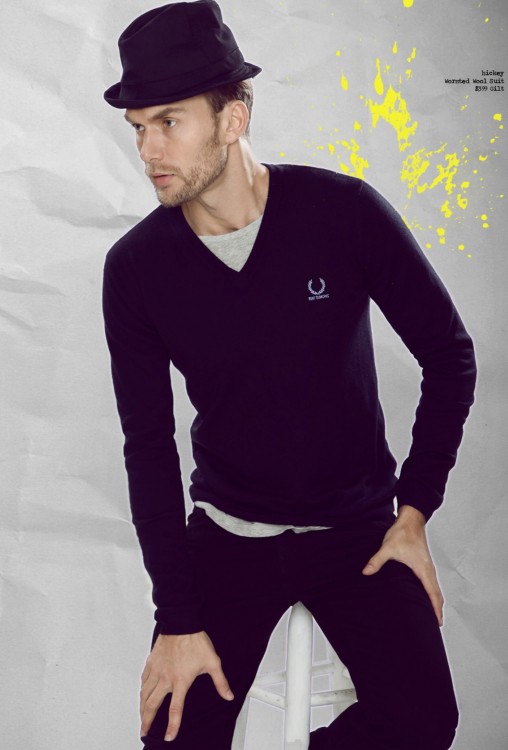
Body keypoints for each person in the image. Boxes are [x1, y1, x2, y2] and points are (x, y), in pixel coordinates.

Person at [102, 2, 476, 748]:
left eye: (168, 121)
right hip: (228, 534)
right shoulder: (137, 269)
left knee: (424, 722)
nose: (148, 149)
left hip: (359, 532)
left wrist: (414, 512)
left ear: (232, 119)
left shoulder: (343, 213)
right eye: (138, 127)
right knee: (173, 737)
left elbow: (449, 352)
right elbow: (149, 448)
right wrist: (178, 619)